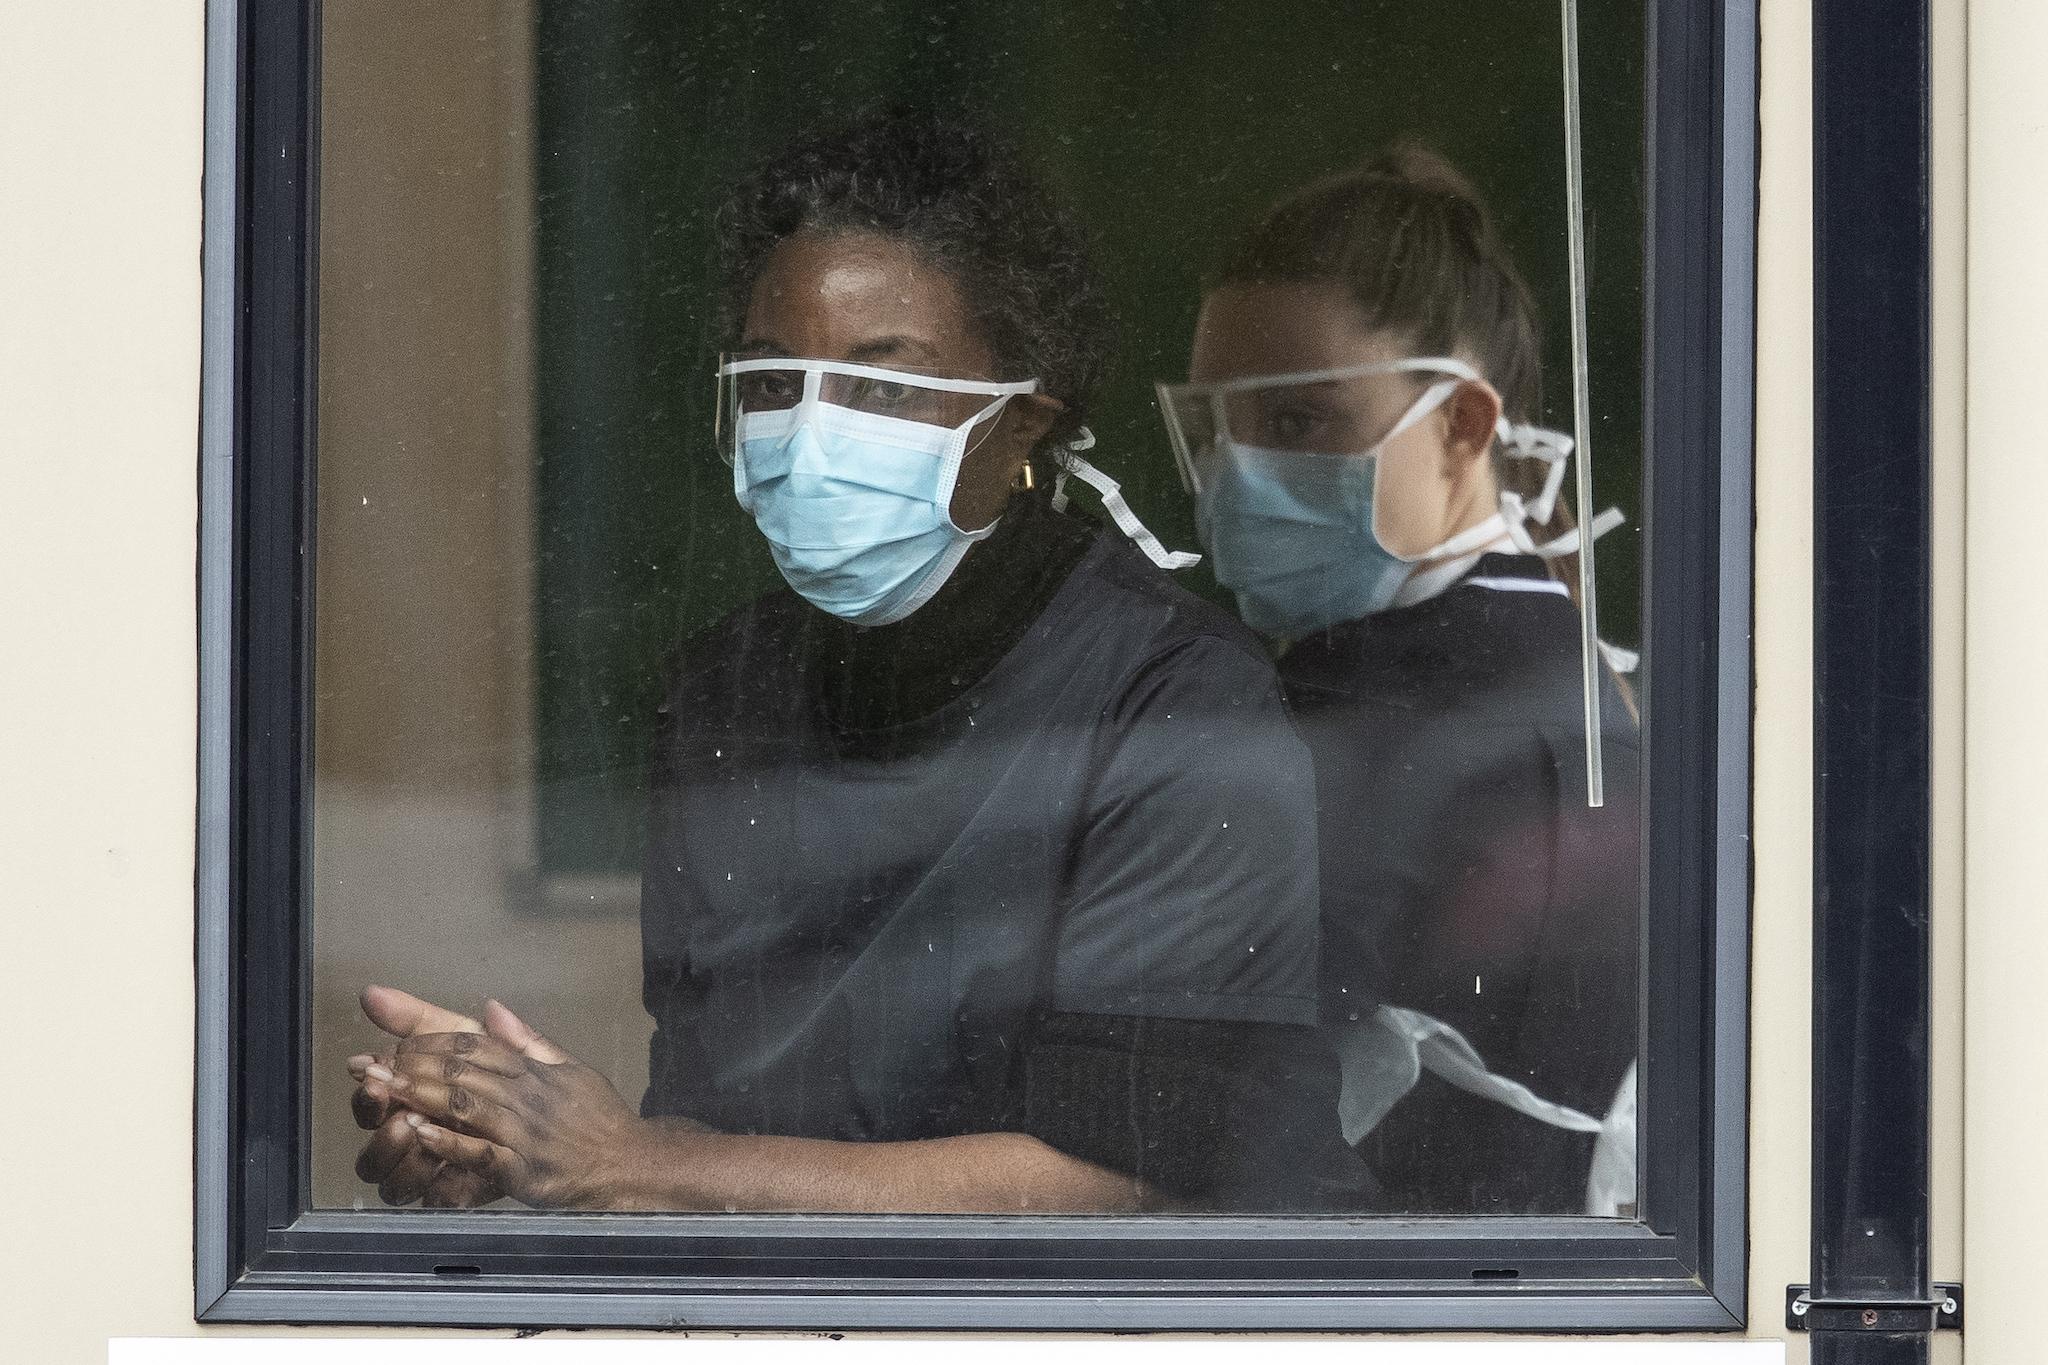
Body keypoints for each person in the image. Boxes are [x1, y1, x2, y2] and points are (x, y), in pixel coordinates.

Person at [346, 111, 1369, 1215]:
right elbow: (726, 1142)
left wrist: (630, 1162)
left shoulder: (1172, 700)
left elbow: (1107, 1181)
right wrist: (510, 1131)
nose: (812, 433)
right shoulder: (722, 690)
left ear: (1021, 424)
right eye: (775, 383)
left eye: (881, 384)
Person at [1156, 145, 1641, 1215]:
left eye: (1293, 421)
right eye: (1212, 429)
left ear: (1460, 427)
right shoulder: (1551, 654)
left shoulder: (1384, 706)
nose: (1236, 478)